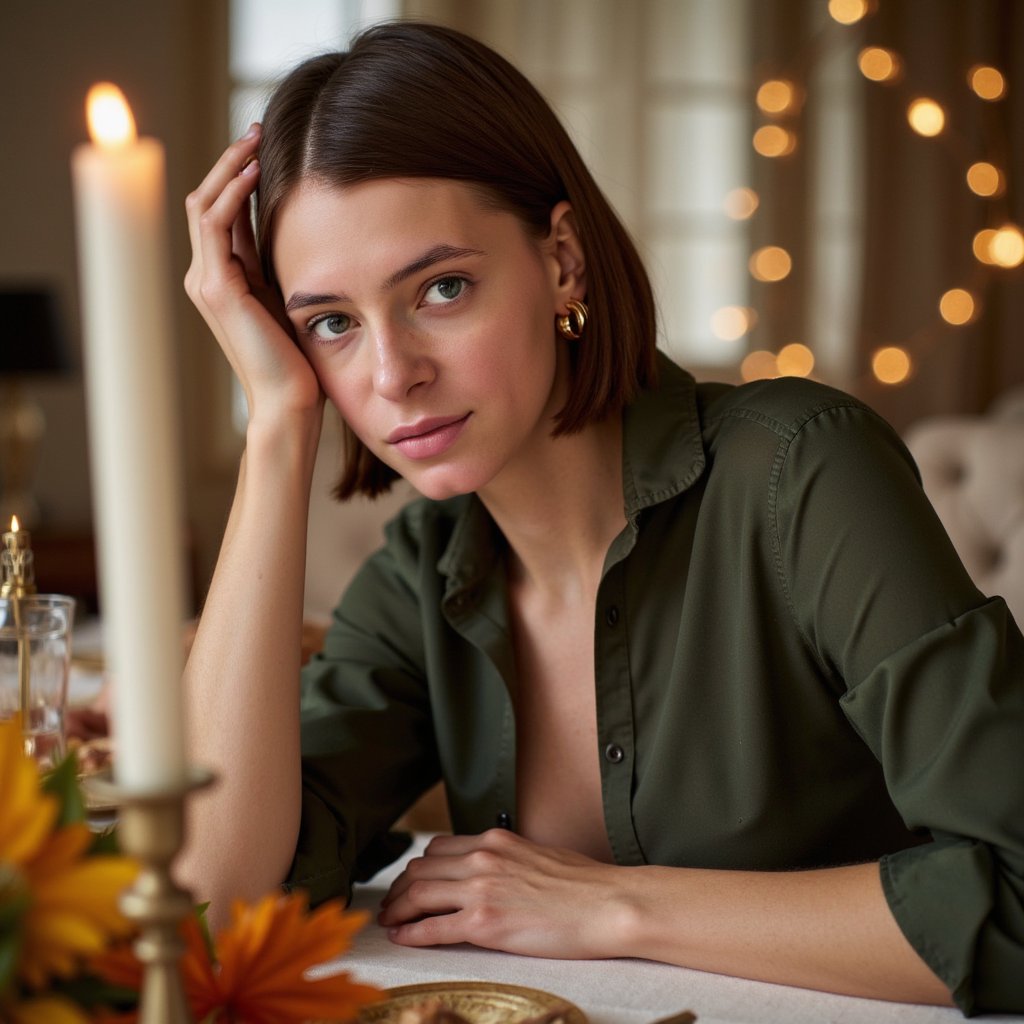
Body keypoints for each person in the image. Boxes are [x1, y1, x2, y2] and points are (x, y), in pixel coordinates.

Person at [178, 20, 1024, 1016]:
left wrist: (617, 906)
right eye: (331, 323)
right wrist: (277, 427)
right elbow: (207, 905)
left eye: (442, 288)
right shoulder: (420, 575)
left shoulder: (802, 473)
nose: (391, 373)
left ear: (564, 262)